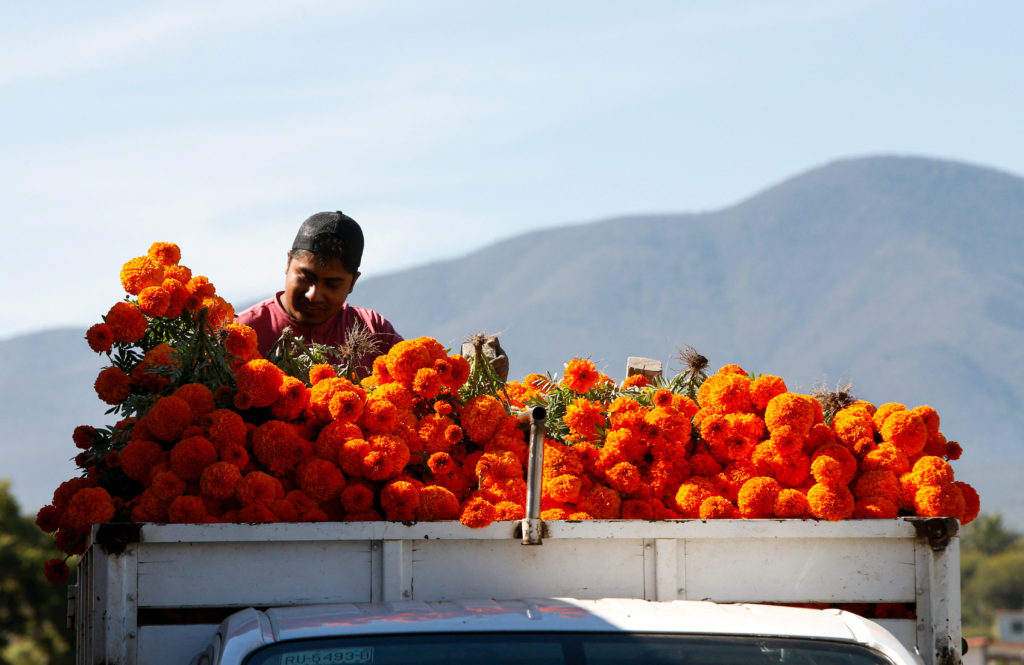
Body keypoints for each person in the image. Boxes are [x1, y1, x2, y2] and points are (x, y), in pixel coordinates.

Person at [236, 211, 402, 377]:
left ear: (353, 282)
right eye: (306, 278)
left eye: (332, 285)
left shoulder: (374, 332)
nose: (313, 295)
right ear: (288, 262)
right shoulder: (241, 333)